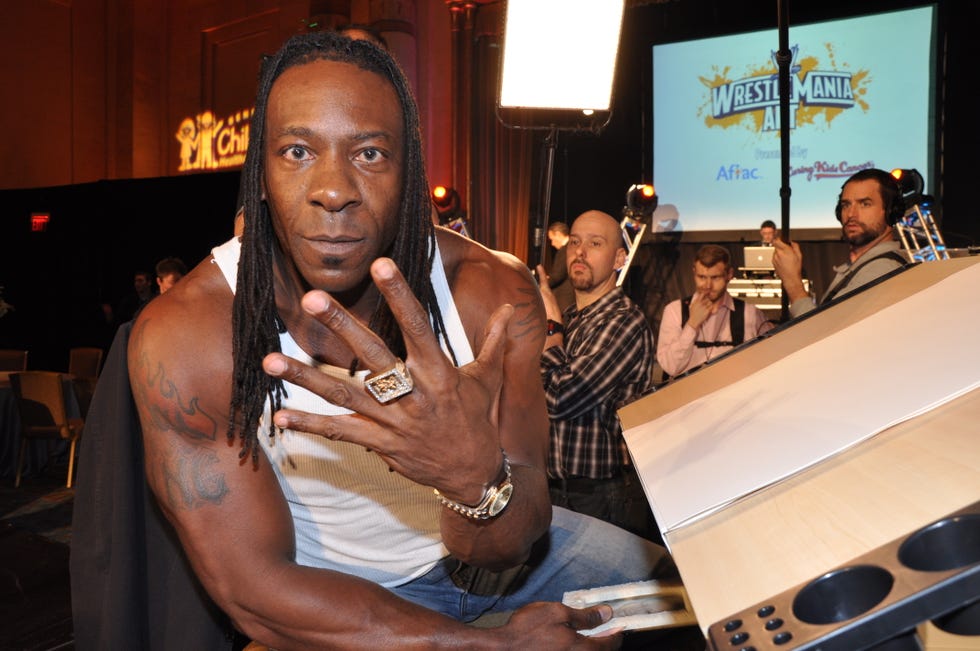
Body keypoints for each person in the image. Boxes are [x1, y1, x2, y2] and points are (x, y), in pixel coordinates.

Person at [127, 32, 673, 650]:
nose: (333, 190)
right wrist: (490, 647)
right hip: (340, 593)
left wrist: (471, 477)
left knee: (703, 601)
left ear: (409, 174)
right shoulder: (189, 333)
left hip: (510, 565)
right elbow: (255, 591)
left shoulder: (491, 293)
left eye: (368, 154)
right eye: (298, 150)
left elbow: (515, 538)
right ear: (260, 174)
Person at [536, 210, 660, 543]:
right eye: (574, 242)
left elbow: (561, 398)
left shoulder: (624, 321)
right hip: (551, 490)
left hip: (598, 497)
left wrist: (550, 330)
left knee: (593, 596)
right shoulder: (570, 318)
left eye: (595, 243)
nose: (579, 252)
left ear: (619, 258)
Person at [773, 168, 910, 319]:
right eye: (846, 205)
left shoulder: (881, 270)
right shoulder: (865, 266)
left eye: (865, 204)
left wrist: (793, 282)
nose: (851, 214)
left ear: (891, 212)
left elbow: (821, 332)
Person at [657, 244, 774, 379]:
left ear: (729, 274)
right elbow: (671, 367)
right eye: (701, 277)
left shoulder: (749, 314)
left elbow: (769, 360)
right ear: (694, 272)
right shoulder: (674, 311)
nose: (707, 286)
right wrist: (692, 324)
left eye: (715, 278)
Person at [544, 221, 575, 313]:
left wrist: (543, 283)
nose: (552, 244)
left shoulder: (565, 250)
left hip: (564, 300)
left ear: (558, 234)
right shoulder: (574, 246)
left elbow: (558, 276)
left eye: (552, 239)